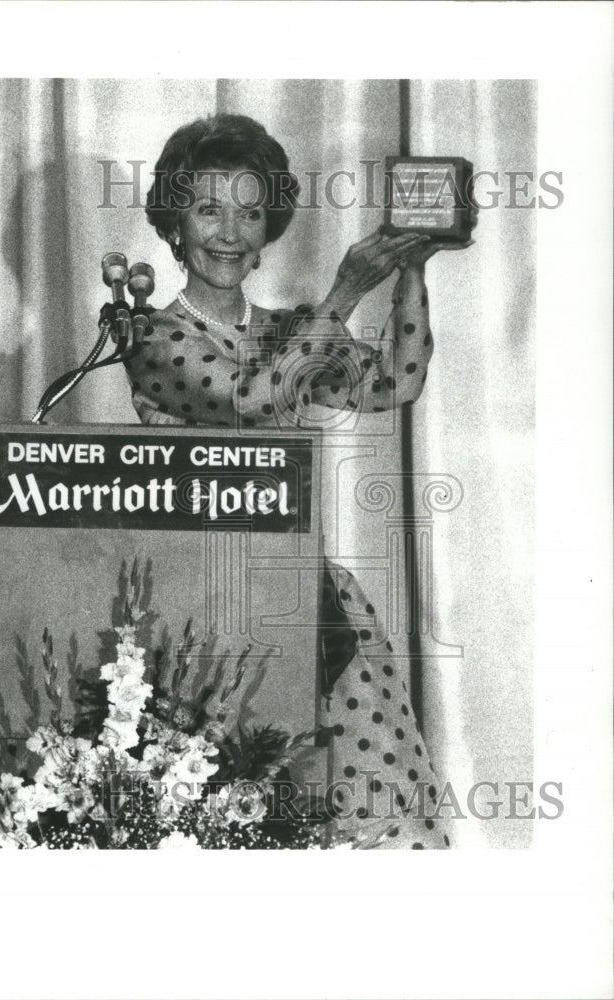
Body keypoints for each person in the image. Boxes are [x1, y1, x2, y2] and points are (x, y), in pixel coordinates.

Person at [116, 113, 473, 848]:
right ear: (174, 225)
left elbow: (395, 384)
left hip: (301, 597)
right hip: (202, 608)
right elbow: (251, 403)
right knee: (234, 821)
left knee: (375, 816)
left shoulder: (289, 330)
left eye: (250, 212)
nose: (230, 233)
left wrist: (411, 265)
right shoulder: (152, 337)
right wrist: (344, 291)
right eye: (208, 209)